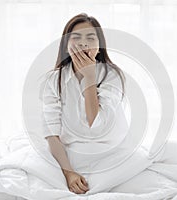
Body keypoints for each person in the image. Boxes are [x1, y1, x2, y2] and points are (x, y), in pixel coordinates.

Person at [42, 13, 128, 194]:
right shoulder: (54, 79)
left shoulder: (112, 75)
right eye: (76, 38)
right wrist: (69, 173)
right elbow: (51, 132)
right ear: (66, 44)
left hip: (110, 151)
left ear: (99, 46)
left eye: (90, 38)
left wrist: (89, 78)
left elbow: (96, 123)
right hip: (70, 154)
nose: (83, 43)